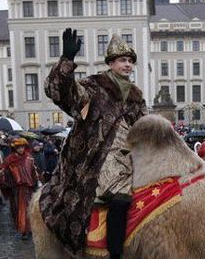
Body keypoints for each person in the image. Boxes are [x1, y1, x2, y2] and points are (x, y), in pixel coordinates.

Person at [39, 28, 147, 258]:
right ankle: (114, 253)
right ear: (111, 63)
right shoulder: (95, 86)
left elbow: (143, 128)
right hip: (96, 156)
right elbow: (61, 92)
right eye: (122, 60)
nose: (127, 65)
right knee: (120, 197)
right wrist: (67, 60)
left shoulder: (136, 95)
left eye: (130, 61)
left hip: (130, 158)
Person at [0, 138, 38, 240]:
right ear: (15, 148)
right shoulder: (10, 159)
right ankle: (24, 230)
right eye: (18, 147)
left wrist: (37, 180)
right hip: (17, 190)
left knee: (30, 209)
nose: (21, 149)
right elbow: (1, 169)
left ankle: (29, 230)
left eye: (22, 147)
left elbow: (33, 171)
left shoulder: (29, 158)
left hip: (29, 189)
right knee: (19, 211)